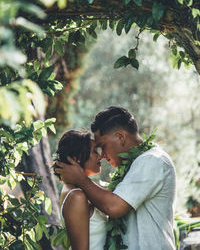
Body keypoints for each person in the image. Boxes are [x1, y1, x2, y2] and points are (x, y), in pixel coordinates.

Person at [56, 106, 176, 250]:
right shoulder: (133, 165)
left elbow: (114, 206)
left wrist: (81, 179)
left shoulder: (152, 160)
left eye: (103, 146)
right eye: (96, 150)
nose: (103, 155)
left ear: (120, 137)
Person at [53, 130, 107, 250]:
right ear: (77, 158)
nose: (100, 156)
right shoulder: (76, 196)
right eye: (94, 151)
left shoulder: (80, 189)